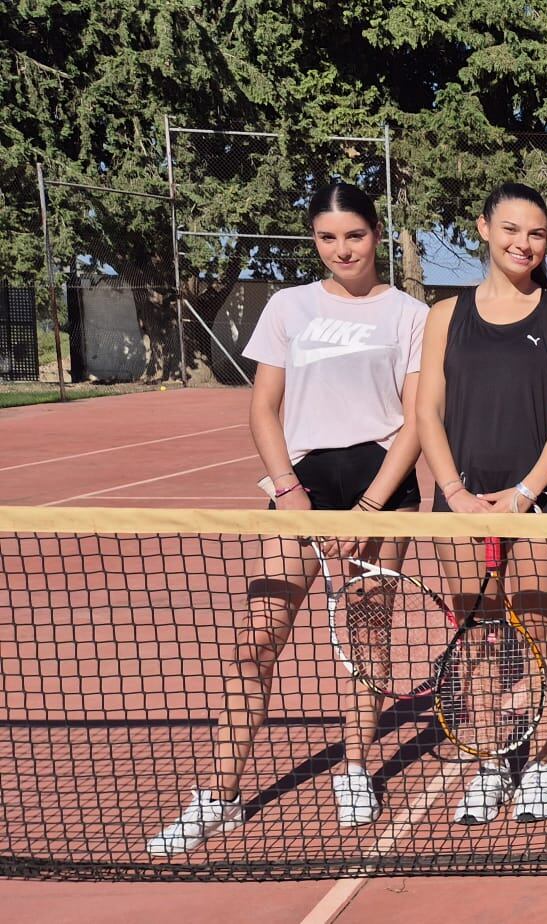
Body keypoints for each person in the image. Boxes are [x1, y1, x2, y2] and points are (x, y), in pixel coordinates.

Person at [146, 183, 428, 856]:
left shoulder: (409, 314)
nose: (342, 250)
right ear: (315, 241)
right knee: (257, 639)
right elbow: (262, 407)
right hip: (300, 486)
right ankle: (218, 794)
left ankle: (356, 769)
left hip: (381, 488)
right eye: (328, 238)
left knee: (365, 639)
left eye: (354, 236)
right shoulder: (287, 306)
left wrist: (369, 508)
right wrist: (289, 491)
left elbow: (418, 420)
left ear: (376, 235)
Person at [414, 182, 547, 826]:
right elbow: (427, 412)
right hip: (460, 505)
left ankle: (540, 763)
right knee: (479, 639)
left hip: (543, 501)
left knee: (542, 632)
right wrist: (455, 493)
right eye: (511, 229)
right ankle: (491, 764)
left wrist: (522, 495)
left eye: (537, 233)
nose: (523, 243)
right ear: (484, 228)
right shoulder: (444, 315)